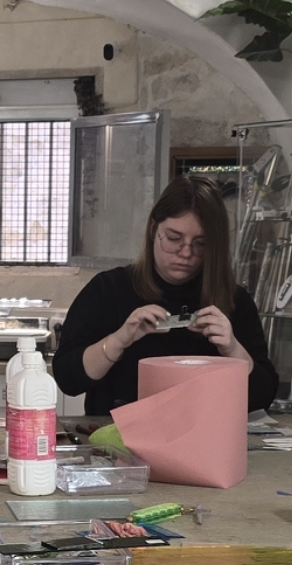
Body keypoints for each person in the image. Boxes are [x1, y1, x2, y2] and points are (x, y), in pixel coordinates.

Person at [52, 174, 278, 414]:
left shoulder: (234, 301)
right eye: (173, 238)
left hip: (205, 431)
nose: (186, 252)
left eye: (200, 243)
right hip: (120, 433)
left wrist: (233, 350)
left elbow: (262, 398)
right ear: (153, 229)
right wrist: (118, 340)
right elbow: (67, 379)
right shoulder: (108, 290)